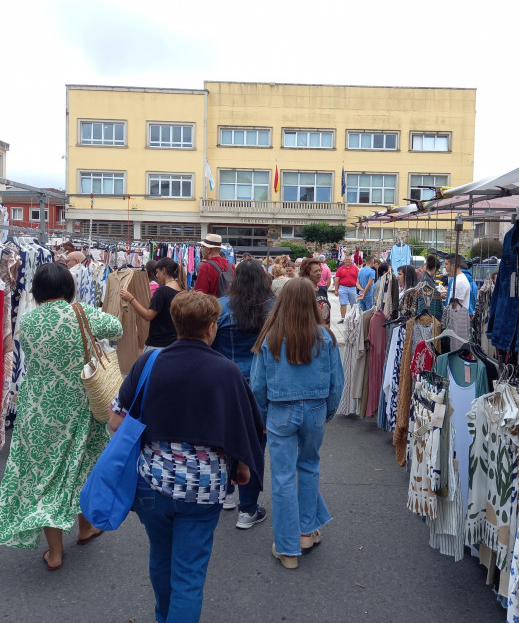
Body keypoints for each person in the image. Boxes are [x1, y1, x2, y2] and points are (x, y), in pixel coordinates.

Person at [109, 291, 265, 622]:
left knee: (161, 559)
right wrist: (241, 468)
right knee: (189, 574)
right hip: (204, 487)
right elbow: (244, 428)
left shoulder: (148, 363)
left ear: (177, 324)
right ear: (211, 328)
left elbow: (115, 420)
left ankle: (163, 615)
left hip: (153, 482)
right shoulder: (227, 372)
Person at [0, 262, 123, 570]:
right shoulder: (80, 313)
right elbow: (117, 328)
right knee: (81, 465)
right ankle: (86, 527)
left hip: (37, 409)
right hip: (78, 404)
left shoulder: (30, 319)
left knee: (45, 478)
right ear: (68, 288)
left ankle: (56, 551)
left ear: (37, 290)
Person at [250, 279, 344, 570]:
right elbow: (336, 382)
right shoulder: (325, 337)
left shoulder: (271, 337)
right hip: (314, 409)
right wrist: (328, 411)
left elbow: (257, 385)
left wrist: (263, 416)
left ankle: (288, 548)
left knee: (282, 478)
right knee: (309, 468)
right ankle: (306, 532)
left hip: (280, 411)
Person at [212, 259, 274, 524]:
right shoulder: (273, 309)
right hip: (261, 386)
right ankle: (248, 509)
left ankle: (226, 493)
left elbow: (210, 346)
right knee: (254, 446)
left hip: (226, 384)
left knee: (224, 441)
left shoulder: (221, 307)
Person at [121, 257, 185, 352]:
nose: (156, 275)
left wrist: (130, 299)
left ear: (164, 271)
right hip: (174, 344)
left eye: (157, 272)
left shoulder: (162, 291)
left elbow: (148, 315)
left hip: (158, 345)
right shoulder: (182, 290)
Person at [300, 257, 331, 325]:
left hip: (325, 328)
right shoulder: (304, 291)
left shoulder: (322, 289)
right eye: (315, 271)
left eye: (320, 270)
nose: (319, 273)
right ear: (307, 274)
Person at [332, 253, 360, 323]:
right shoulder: (340, 269)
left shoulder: (355, 269)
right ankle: (343, 318)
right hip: (343, 287)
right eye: (347, 260)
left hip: (352, 288)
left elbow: (358, 279)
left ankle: (352, 317)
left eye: (349, 260)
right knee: (343, 303)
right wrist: (336, 290)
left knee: (353, 304)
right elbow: (336, 280)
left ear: (351, 260)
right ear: (344, 261)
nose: (348, 261)